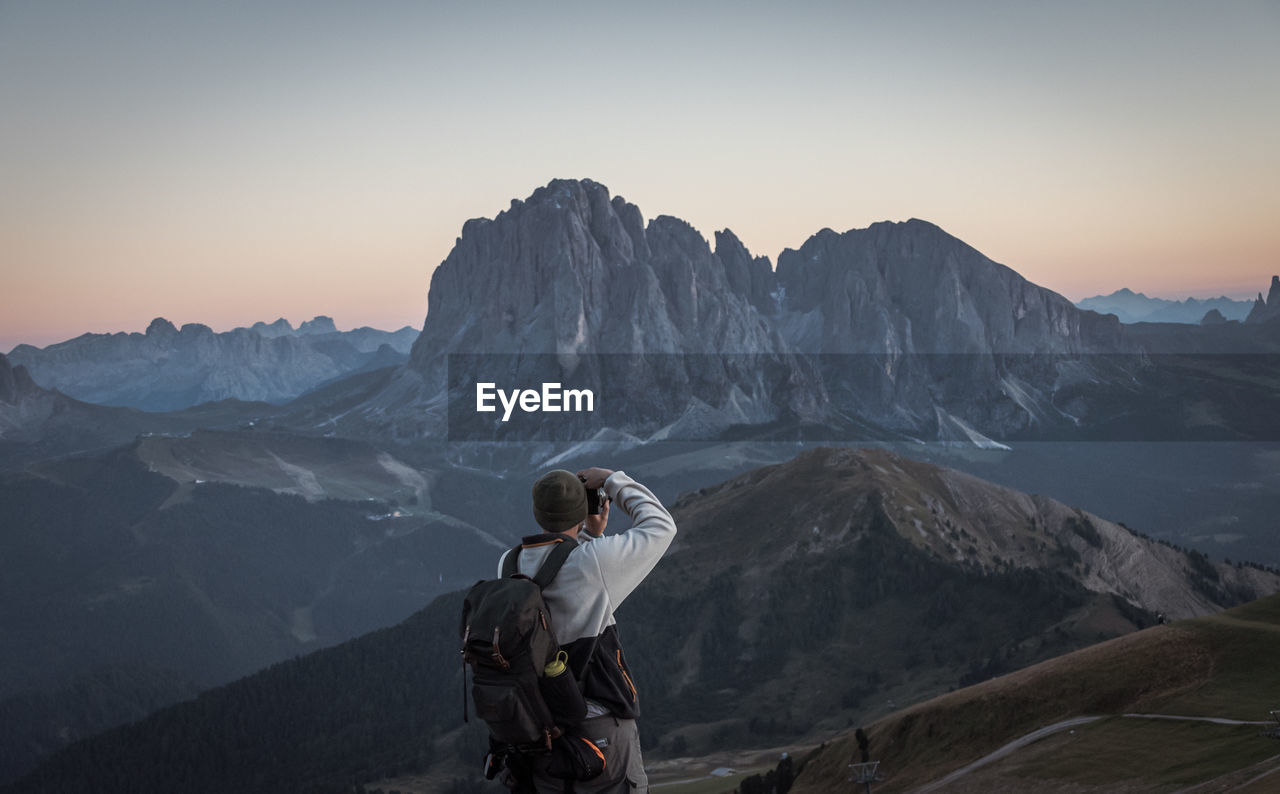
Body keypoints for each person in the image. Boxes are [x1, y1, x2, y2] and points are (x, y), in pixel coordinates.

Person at [498, 466, 677, 793]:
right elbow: (661, 525)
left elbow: (557, 571)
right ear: (581, 511)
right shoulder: (593, 562)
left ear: (537, 512)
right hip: (597, 728)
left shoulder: (508, 564)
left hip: (538, 729)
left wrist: (589, 536)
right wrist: (613, 479)